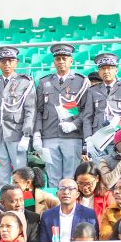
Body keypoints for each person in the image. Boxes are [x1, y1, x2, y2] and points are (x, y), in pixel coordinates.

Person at [34, 44, 90, 187]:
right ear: (54, 62)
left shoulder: (81, 81)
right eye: (58, 59)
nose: (61, 62)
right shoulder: (44, 81)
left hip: (72, 136)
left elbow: (86, 110)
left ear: (71, 61)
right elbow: (39, 110)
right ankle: (55, 208)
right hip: (49, 134)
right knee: (53, 177)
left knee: (71, 177)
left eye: (64, 58)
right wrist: (37, 134)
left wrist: (74, 125)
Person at [0, 47, 36, 187]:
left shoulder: (25, 82)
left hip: (16, 134)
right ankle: (3, 207)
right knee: (0, 177)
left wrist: (26, 135)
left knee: (21, 176)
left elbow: (30, 110)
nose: (7, 64)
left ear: (16, 63)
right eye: (3, 61)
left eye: (10, 61)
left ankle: (23, 206)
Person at [83, 53, 121, 164]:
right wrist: (88, 138)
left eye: (109, 68)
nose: (106, 71)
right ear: (99, 72)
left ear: (116, 70)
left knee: (120, 172)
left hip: (120, 138)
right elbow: (88, 117)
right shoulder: (93, 90)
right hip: (98, 139)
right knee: (100, 173)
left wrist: (116, 125)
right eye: (103, 68)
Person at [39, 178, 99, 242]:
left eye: (71, 189)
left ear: (77, 194)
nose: (66, 192)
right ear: (57, 193)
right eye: (62, 188)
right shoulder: (47, 215)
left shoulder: (88, 214)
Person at [74, 162, 115, 226]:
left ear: (97, 179)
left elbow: (112, 221)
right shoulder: (72, 197)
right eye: (81, 183)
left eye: (89, 183)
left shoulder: (106, 197)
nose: (85, 187)